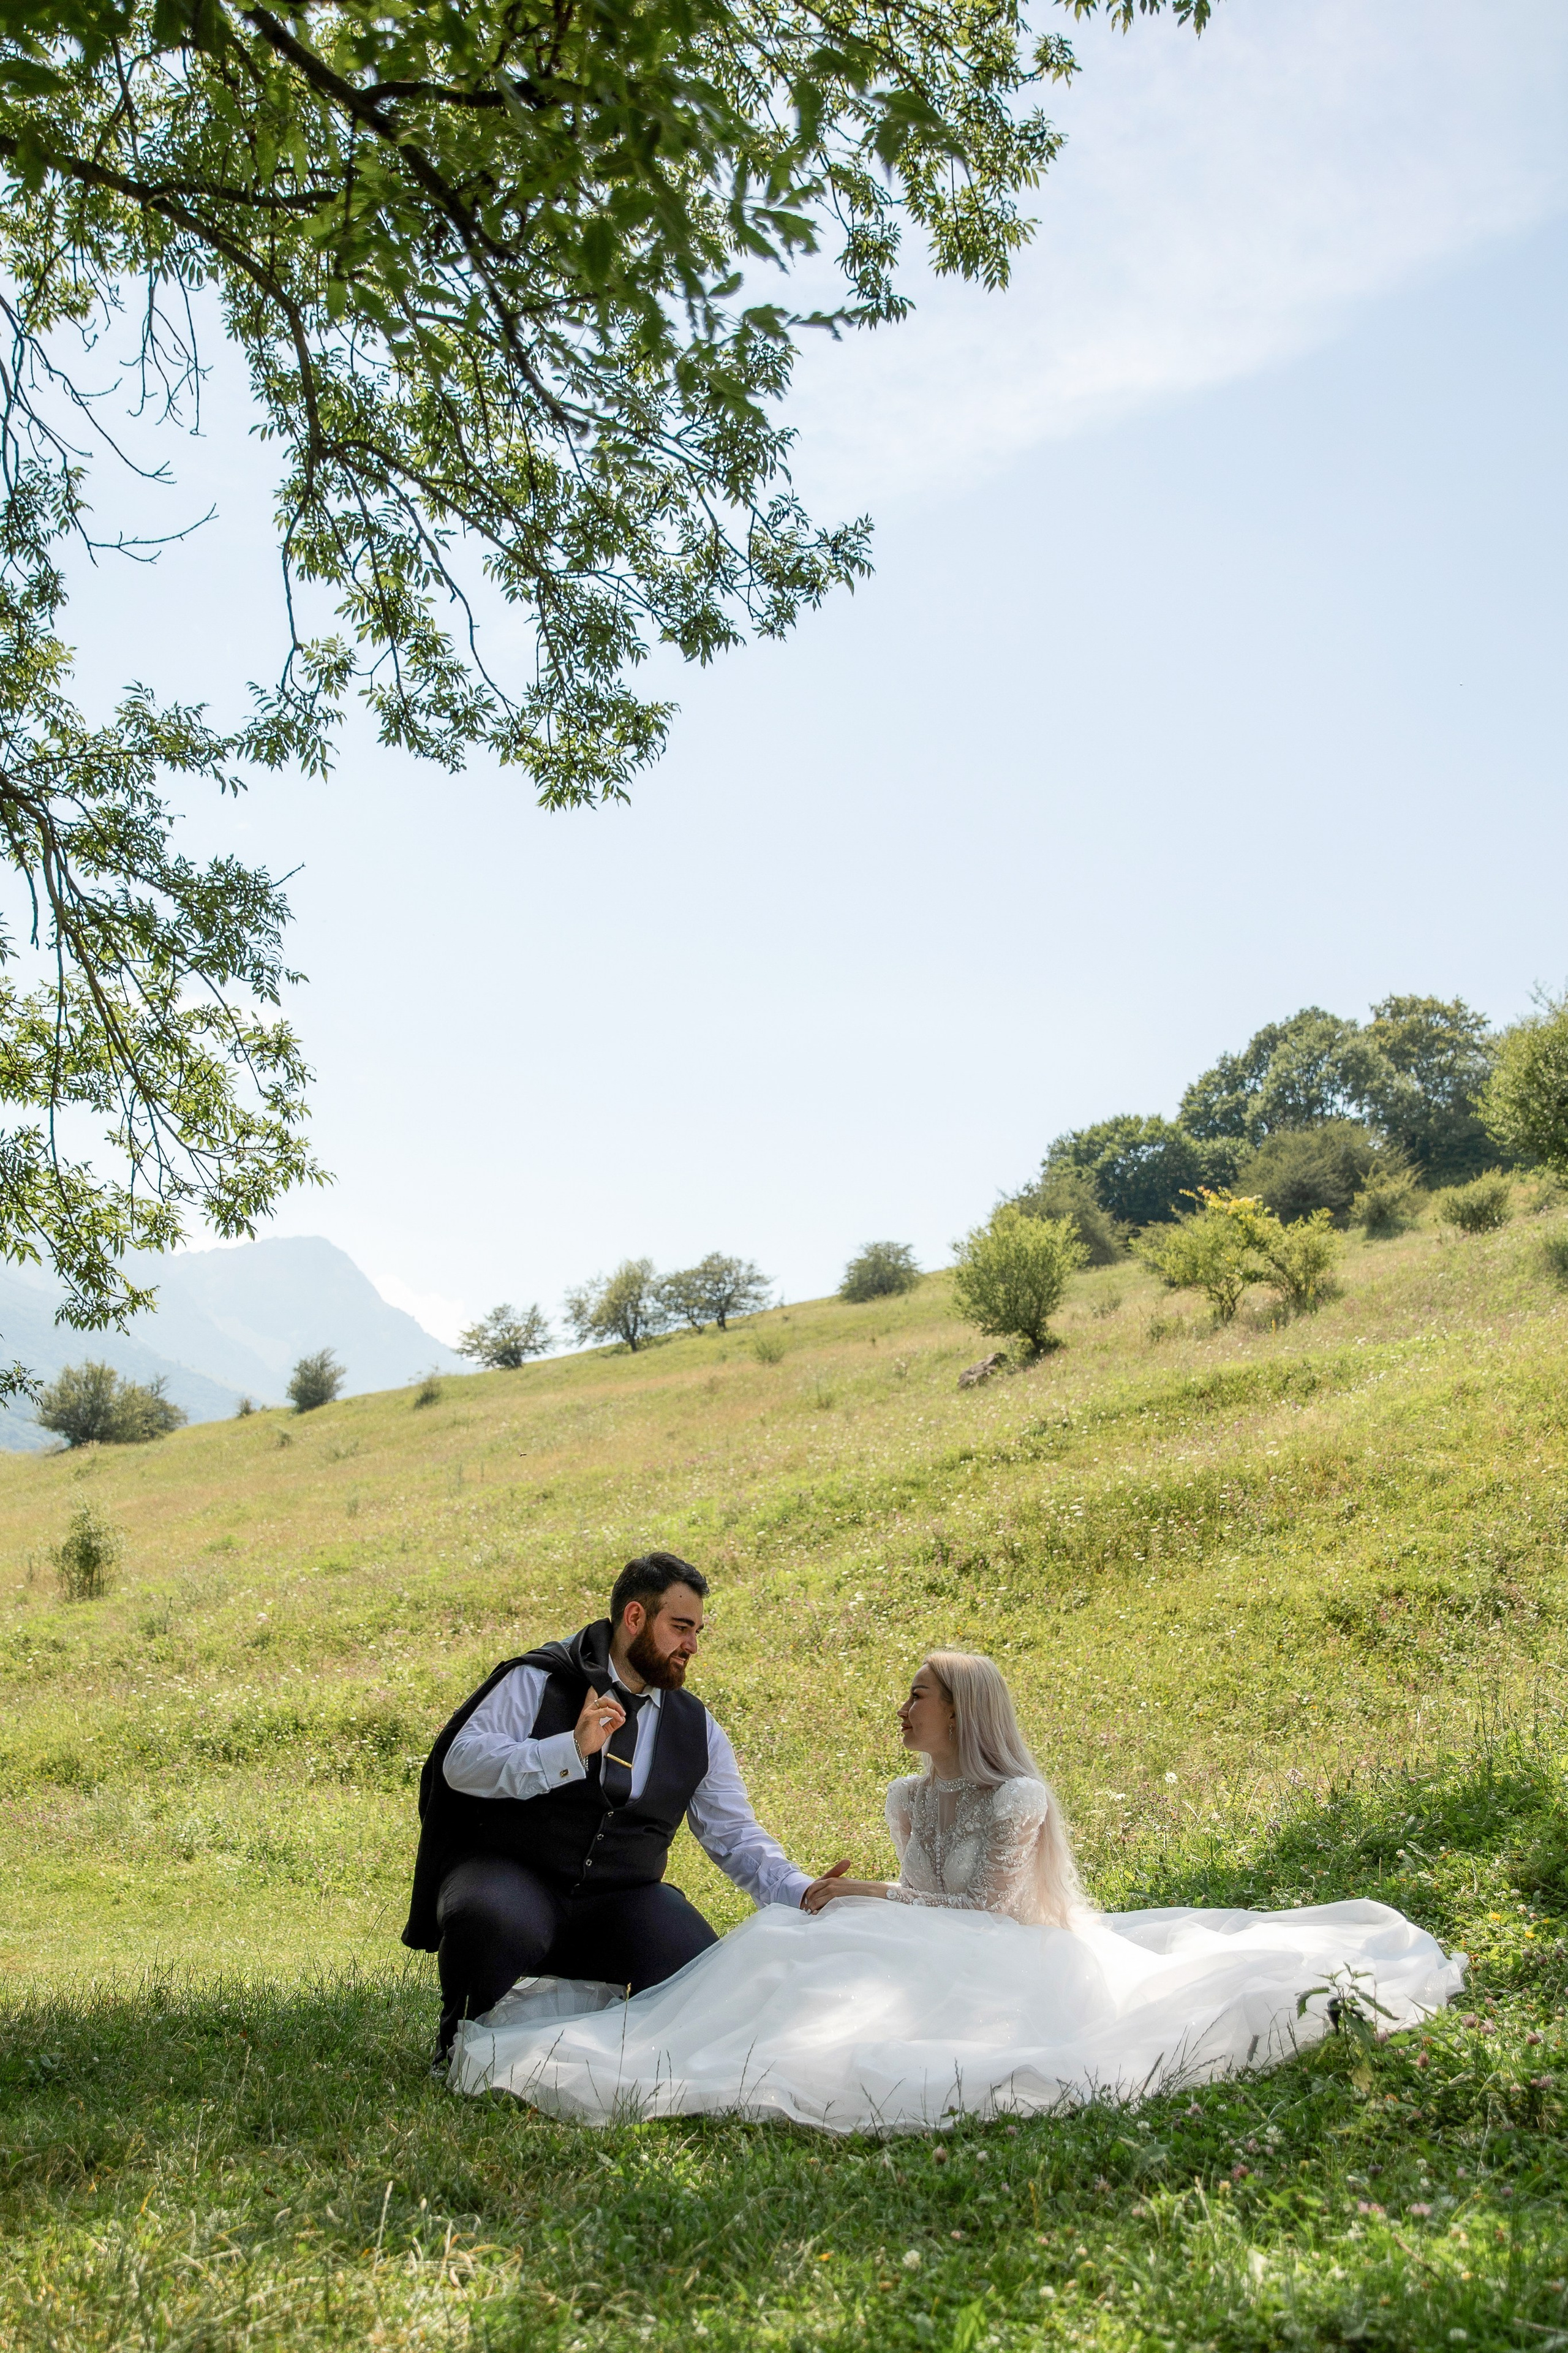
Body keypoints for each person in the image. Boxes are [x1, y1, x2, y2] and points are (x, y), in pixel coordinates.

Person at [447, 1649, 1465, 2132]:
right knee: (782, 1948)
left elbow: (980, 1911)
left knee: (832, 1959)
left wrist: (872, 1903)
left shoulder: (1019, 1796)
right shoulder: (905, 1794)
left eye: (917, 1696)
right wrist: (840, 1896)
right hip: (915, 1930)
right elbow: (883, 1882)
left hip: (996, 1950)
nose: (902, 1707)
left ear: (960, 1709)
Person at [402, 1551, 814, 2061]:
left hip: (621, 1899)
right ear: (635, 1617)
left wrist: (802, 1892)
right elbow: (460, 1761)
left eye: (697, 1632)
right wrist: (567, 1750)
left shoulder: (696, 1727)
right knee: (489, 1918)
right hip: (514, 1878)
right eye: (681, 1627)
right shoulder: (539, 1678)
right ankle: (460, 2041)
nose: (692, 1646)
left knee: (701, 1980)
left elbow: (735, 1835)